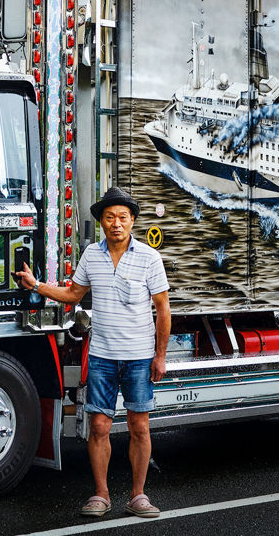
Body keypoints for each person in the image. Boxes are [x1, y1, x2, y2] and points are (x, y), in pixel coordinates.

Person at [14, 186, 171, 518]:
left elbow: (163, 308)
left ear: (132, 222)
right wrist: (37, 286)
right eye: (110, 217)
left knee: (139, 426)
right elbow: (73, 295)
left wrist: (160, 355)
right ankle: (101, 494)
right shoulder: (91, 256)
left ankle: (138, 495)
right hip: (101, 355)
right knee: (99, 425)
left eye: (123, 218)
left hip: (140, 356)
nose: (116, 223)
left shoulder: (149, 258)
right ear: (101, 221)